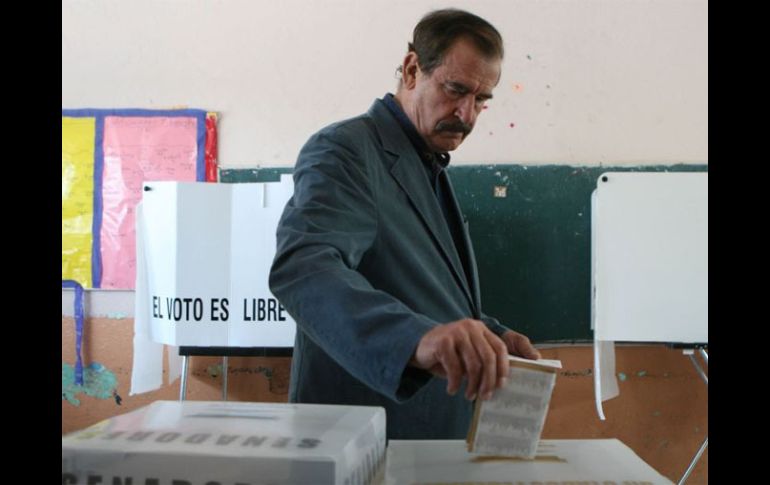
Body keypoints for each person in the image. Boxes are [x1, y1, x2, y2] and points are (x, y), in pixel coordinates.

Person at [269, 8, 540, 440]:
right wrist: (415, 339)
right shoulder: (345, 151)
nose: (467, 115)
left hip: (425, 440)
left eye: (481, 100)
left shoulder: (427, 164)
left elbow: (417, 288)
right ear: (413, 69)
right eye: (456, 90)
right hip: (363, 442)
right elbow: (304, 270)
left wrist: (491, 335)